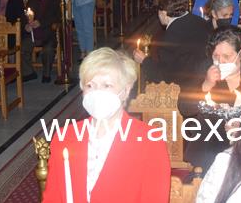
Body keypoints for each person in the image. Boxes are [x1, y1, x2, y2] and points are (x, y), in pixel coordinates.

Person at [43, 48, 170, 202]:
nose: (97, 93)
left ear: (126, 90)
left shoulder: (150, 141)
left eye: (107, 85)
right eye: (90, 86)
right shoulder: (64, 137)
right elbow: (52, 197)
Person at [178, 26, 241, 172]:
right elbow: (184, 107)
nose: (220, 61)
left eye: (226, 56)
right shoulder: (203, 69)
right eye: (216, 56)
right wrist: (206, 84)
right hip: (210, 143)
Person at [134, 0, 213, 85]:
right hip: (207, 79)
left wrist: (144, 61)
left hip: (189, 87)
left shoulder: (170, 38)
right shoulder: (201, 21)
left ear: (163, 13)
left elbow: (165, 77)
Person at [21, 0, 61, 82]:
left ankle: (46, 74)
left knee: (48, 50)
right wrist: (26, 25)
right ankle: (29, 72)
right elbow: (26, 14)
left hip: (48, 32)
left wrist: (41, 23)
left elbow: (56, 17)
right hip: (33, 33)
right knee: (22, 47)